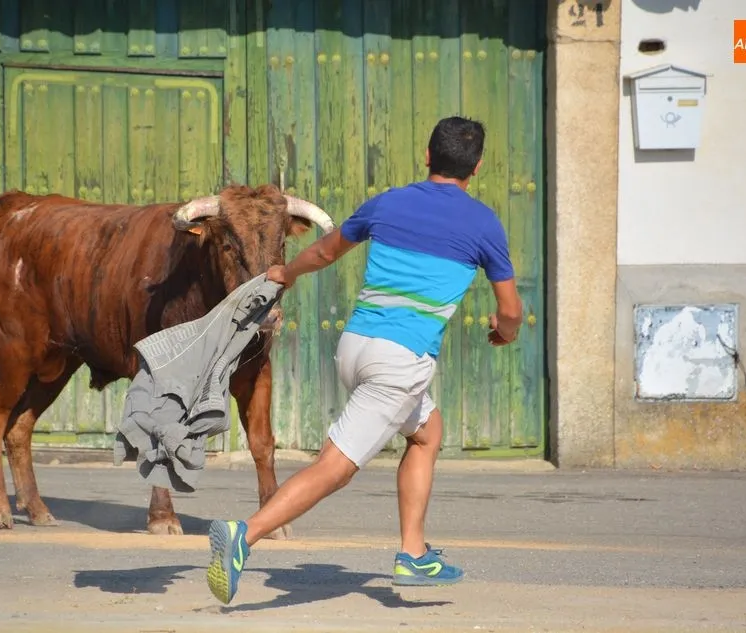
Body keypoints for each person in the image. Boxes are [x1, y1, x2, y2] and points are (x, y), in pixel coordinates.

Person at [205, 115, 523, 605]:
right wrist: (504, 332)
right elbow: (510, 310)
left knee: (427, 432)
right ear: (477, 167)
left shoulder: (388, 202)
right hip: (398, 362)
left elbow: (325, 253)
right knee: (335, 467)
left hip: (355, 348)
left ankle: (414, 552)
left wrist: (286, 273)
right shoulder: (483, 223)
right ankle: (244, 534)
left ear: (427, 156)